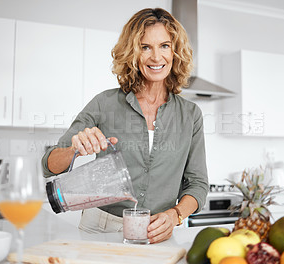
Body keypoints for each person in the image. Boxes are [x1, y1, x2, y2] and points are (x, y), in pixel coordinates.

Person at [42, 7, 208, 244]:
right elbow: (48, 164)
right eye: (145, 47)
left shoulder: (191, 114)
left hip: (158, 231)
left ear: (175, 52)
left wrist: (175, 215)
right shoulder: (104, 103)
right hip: (100, 228)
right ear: (132, 52)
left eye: (164, 45)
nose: (156, 57)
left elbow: (198, 183)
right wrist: (74, 149)